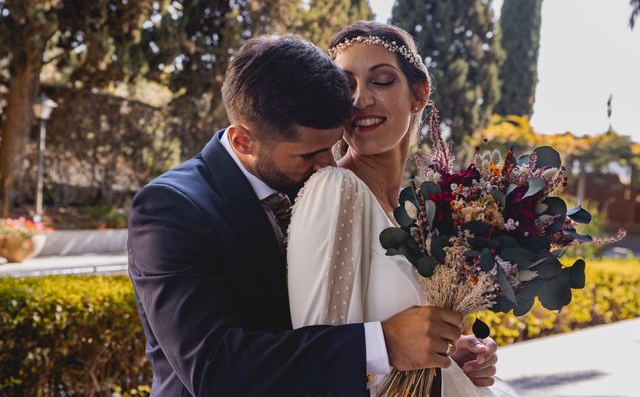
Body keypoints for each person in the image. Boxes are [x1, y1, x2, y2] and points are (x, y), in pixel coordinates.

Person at [127, 35, 485, 396]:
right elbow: (215, 369)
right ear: (243, 141)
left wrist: (443, 354)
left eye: (330, 147)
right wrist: (384, 344)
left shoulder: (321, 185)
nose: (327, 165)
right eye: (309, 154)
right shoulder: (171, 210)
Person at [287, 22, 514, 396]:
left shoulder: (423, 210)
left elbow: (408, 338)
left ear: (419, 95)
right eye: (346, 86)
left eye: (382, 80)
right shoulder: (335, 191)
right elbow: (318, 357)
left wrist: (451, 354)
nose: (360, 99)